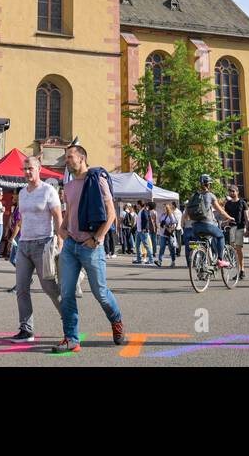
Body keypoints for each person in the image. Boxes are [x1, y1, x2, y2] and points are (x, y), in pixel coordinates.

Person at [54, 144, 126, 354]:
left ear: (82, 158)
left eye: (70, 157)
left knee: (100, 293)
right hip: (70, 246)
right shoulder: (67, 186)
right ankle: (71, 338)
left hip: (91, 246)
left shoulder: (97, 180)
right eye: (66, 158)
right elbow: (70, 213)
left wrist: (98, 238)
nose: (66, 161)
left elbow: (111, 213)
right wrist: (62, 229)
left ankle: (116, 321)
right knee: (66, 293)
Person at [10, 155, 63, 342]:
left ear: (39, 169)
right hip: (24, 244)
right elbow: (23, 218)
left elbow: (58, 216)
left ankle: (69, 321)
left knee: (49, 287)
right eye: (24, 169)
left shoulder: (49, 190)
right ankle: (26, 329)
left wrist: (60, 240)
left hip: (44, 244)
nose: (26, 172)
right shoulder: (23, 193)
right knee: (22, 289)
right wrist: (15, 237)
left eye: (30, 168)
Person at [184, 174, 234, 268]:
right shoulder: (210, 195)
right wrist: (230, 217)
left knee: (202, 243)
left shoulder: (193, 196)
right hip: (207, 225)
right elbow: (220, 211)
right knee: (220, 236)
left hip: (195, 226)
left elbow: (186, 214)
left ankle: (203, 266)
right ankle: (220, 260)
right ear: (209, 184)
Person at [224, 186, 249, 280]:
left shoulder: (242, 202)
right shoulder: (228, 204)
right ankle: (238, 271)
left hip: (239, 227)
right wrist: (225, 222)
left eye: (233, 191)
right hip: (231, 227)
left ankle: (242, 270)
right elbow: (226, 216)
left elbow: (246, 216)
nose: (231, 193)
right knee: (233, 249)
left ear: (237, 192)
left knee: (238, 249)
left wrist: (248, 229)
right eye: (230, 191)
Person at [156, 201, 180, 267]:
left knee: (171, 248)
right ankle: (159, 261)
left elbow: (174, 224)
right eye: (163, 208)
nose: (163, 209)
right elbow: (159, 222)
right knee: (162, 247)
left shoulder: (171, 215)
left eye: (164, 208)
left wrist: (167, 226)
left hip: (169, 234)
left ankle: (173, 261)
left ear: (167, 209)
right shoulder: (162, 215)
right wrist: (160, 225)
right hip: (162, 234)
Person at [132, 201, 155, 265]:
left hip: (142, 231)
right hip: (139, 231)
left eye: (137, 204)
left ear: (139, 204)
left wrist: (144, 229)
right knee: (137, 245)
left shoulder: (143, 211)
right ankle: (139, 259)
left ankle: (151, 260)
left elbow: (146, 220)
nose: (136, 205)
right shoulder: (140, 211)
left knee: (146, 245)